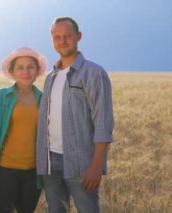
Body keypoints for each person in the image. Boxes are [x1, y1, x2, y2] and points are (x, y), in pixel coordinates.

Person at [36, 17, 114, 213]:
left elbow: (103, 124)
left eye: (67, 36)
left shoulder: (94, 73)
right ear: (52, 41)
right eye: (57, 37)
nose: (62, 41)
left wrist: (96, 167)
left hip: (81, 164)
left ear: (78, 36)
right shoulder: (50, 77)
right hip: (50, 162)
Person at [0, 47, 48, 213]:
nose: (26, 71)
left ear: (37, 70)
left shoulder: (43, 99)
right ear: (12, 72)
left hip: (33, 172)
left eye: (30, 67)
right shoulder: (1, 97)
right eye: (20, 67)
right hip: (5, 171)